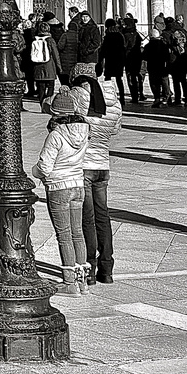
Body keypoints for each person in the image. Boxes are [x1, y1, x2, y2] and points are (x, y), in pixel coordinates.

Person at [32, 86, 90, 295]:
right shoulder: (84, 130)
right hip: (78, 185)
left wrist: (35, 171)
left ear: (55, 113)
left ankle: (69, 282)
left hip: (59, 187)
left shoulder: (56, 135)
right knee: (78, 233)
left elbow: (44, 167)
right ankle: (83, 282)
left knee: (64, 235)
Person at [71, 68, 122, 286]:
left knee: (87, 219)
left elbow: (54, 108)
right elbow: (115, 130)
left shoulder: (77, 96)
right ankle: (107, 269)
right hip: (103, 165)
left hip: (84, 166)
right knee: (103, 217)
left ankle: (90, 268)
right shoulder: (114, 102)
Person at [31, 21, 61, 103]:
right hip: (49, 66)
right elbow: (55, 54)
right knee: (51, 86)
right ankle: (48, 102)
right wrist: (59, 67)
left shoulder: (35, 39)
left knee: (41, 87)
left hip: (38, 66)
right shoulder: (50, 40)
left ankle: (42, 104)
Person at [99, 20, 126, 106]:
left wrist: (100, 59)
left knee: (107, 78)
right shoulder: (120, 36)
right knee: (119, 79)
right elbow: (123, 48)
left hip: (110, 60)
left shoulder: (108, 37)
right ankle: (122, 98)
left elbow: (103, 49)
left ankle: (108, 96)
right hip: (119, 60)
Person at [142, 29, 172, 107]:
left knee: (154, 83)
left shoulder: (148, 46)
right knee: (164, 81)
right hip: (162, 66)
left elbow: (144, 57)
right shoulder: (163, 45)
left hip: (152, 67)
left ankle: (157, 98)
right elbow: (167, 57)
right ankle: (166, 97)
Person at [122, 16, 144, 102]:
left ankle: (134, 96)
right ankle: (140, 93)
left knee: (130, 76)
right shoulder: (136, 33)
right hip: (137, 56)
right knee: (137, 75)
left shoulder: (126, 35)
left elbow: (124, 46)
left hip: (129, 58)